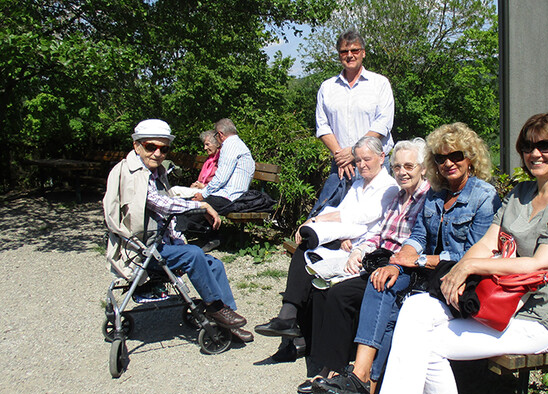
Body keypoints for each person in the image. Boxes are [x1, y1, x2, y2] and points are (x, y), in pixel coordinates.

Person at [328, 112, 548, 394]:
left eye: (545, 145)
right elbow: (489, 242)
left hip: (538, 318)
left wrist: (469, 266)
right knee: (415, 308)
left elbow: (542, 263)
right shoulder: (521, 193)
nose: (535, 153)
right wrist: (459, 268)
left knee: (427, 343)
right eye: (527, 146)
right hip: (499, 304)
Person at [311, 122, 502, 394]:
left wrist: (419, 259)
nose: (448, 163)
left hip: (456, 279)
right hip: (423, 272)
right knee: (381, 280)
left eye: (456, 156)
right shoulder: (436, 195)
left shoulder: (484, 196)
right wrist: (399, 261)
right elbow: (419, 236)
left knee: (395, 314)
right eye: (440, 158)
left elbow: (473, 254)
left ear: (470, 157)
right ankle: (360, 377)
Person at [103, 119, 253, 343]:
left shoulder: (153, 171)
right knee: (193, 254)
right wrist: (201, 205)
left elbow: (165, 204)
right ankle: (215, 307)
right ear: (137, 146)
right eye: (151, 147)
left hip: (160, 245)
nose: (157, 153)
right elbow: (158, 203)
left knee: (214, 263)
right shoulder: (134, 173)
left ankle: (225, 316)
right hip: (142, 251)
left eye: (164, 148)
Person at [254, 137, 399, 348]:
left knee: (308, 253)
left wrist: (318, 219)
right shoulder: (359, 184)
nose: (361, 165)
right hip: (346, 239)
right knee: (306, 252)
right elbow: (344, 211)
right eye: (357, 160)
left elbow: (362, 215)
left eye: (366, 159)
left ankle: (291, 323)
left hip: (365, 247)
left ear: (381, 157)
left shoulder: (389, 187)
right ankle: (290, 323)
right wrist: (338, 232)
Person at [311, 28, 395, 216]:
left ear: (363, 53)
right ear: (339, 55)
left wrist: (354, 151)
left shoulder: (379, 83)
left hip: (375, 163)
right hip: (341, 164)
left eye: (355, 50)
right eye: (344, 51)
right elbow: (322, 125)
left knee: (376, 217)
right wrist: (341, 155)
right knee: (333, 215)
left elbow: (383, 123)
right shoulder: (327, 87)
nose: (349, 55)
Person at [185, 118, 256, 251]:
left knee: (191, 206)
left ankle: (211, 237)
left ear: (220, 134)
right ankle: (212, 236)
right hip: (233, 195)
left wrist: (203, 194)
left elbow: (221, 178)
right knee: (194, 203)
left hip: (231, 198)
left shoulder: (230, 146)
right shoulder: (239, 145)